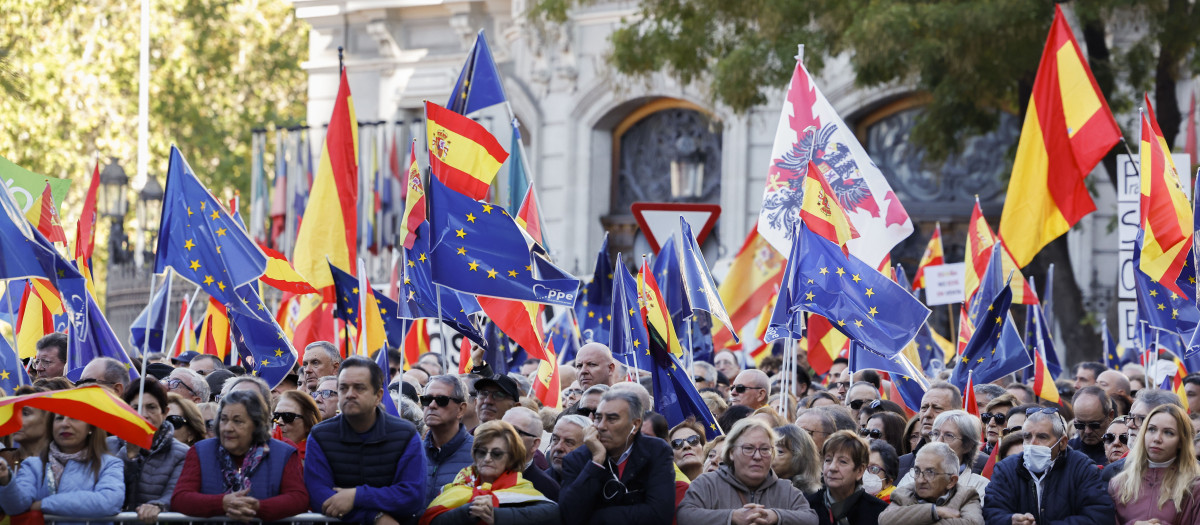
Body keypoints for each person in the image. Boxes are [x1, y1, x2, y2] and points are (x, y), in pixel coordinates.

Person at [305, 355, 427, 523]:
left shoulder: (406, 434)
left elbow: (412, 495)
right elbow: (322, 499)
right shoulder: (320, 436)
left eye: (359, 388)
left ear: (378, 395)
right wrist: (374, 517)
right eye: (343, 388)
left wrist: (357, 495)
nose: (349, 394)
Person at [171, 389, 307, 521]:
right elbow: (181, 498)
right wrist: (221, 503)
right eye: (223, 420)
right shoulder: (201, 451)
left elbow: (298, 498)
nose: (228, 428)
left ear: (256, 425)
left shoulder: (283, 453)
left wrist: (258, 507)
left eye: (237, 421)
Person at [559, 389, 676, 524]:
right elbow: (569, 516)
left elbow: (660, 514)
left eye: (612, 419)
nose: (601, 426)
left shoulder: (657, 451)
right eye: (598, 418)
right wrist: (596, 462)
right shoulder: (576, 459)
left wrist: (596, 518)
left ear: (635, 424)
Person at [982, 407, 1113, 524]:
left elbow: (1099, 516)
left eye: (1042, 437)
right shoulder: (1006, 468)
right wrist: (1010, 520)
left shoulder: (1082, 468)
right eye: (1027, 437)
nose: (1032, 443)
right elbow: (991, 512)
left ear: (1062, 443)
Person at [677, 419, 818, 525]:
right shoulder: (707, 484)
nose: (757, 456)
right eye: (749, 448)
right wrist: (731, 517)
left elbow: (811, 518)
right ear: (731, 452)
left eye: (764, 449)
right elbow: (685, 515)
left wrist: (775, 516)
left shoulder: (785, 489)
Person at [420, 420, 558, 525]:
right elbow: (430, 520)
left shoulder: (522, 490)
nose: (487, 458)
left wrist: (496, 515)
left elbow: (553, 513)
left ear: (511, 457)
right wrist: (469, 510)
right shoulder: (457, 486)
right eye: (481, 452)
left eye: (496, 454)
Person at [0, 413, 123, 524]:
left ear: (90, 427)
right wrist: (6, 479)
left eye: (74, 418)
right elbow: (16, 507)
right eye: (59, 418)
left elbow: (109, 501)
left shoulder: (110, 464)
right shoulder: (33, 465)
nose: (65, 423)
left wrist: (44, 504)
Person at [110, 377, 189, 523]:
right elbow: (110, 493)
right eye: (135, 408)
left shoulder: (182, 453)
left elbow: (174, 493)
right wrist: (129, 457)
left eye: (151, 407)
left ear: (164, 412)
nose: (144, 414)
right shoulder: (109, 446)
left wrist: (158, 506)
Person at [1109, 404, 1200, 523]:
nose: (1157, 438)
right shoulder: (1117, 484)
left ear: (1181, 442)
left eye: (1168, 432)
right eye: (1151, 429)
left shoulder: (1194, 487)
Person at [878, 442, 983, 525]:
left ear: (951, 481)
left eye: (930, 472)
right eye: (917, 471)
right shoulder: (905, 493)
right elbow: (885, 520)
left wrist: (911, 519)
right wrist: (934, 511)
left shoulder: (966, 496)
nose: (920, 480)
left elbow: (973, 523)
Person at [899, 410, 987, 500]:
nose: (939, 441)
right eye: (935, 434)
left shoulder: (979, 485)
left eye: (949, 435)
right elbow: (895, 511)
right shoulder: (911, 476)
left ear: (968, 445)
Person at [806, 430, 887, 525]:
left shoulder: (879, 513)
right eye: (828, 460)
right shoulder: (806, 506)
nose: (832, 467)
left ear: (860, 471)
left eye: (843, 462)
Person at [1103, 388, 1184, 482]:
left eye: (1141, 419)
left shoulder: (1195, 476)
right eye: (1131, 417)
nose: (1130, 425)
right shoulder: (1112, 473)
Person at [422, 375, 474, 506]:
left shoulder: (479, 454)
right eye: (427, 399)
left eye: (441, 400)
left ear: (461, 409)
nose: (432, 405)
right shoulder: (412, 451)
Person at [898, 383, 961, 481]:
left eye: (937, 408)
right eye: (924, 407)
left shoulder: (979, 464)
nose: (927, 414)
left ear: (955, 414)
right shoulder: (901, 464)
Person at [502, 407, 559, 500]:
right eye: (499, 429)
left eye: (515, 432)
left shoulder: (547, 488)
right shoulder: (479, 473)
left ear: (534, 444)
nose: (503, 437)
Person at [0, 385, 51, 473]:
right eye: (14, 412)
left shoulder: (59, 463)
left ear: (47, 418)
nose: (17, 419)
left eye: (25, 413)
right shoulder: (3, 460)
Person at [1068, 386, 1114, 466]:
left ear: (1110, 416)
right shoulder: (1065, 453)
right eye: (1080, 425)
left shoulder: (1121, 451)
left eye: (1094, 425)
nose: (1087, 431)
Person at [272, 390, 321, 461]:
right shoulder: (263, 452)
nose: (279, 421)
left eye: (288, 416)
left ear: (308, 423)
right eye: (276, 416)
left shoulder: (315, 457)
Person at [773, 424, 822, 495]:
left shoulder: (809, 498)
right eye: (766, 449)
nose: (770, 455)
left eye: (779, 451)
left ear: (799, 456)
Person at [546, 414, 592, 483]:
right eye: (555, 439)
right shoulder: (537, 484)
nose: (558, 447)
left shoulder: (601, 486)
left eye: (569, 442)